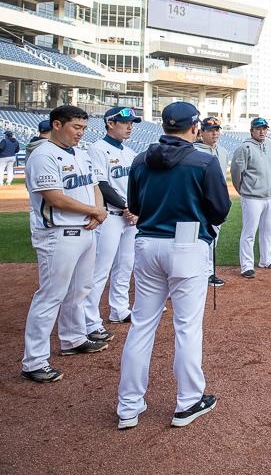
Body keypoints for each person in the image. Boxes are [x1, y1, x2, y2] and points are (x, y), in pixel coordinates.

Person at [116, 101, 230, 429]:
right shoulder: (203, 161)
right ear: (194, 127)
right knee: (186, 327)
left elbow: (135, 205)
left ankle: (128, 406)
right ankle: (188, 401)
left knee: (141, 325)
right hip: (187, 243)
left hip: (147, 241)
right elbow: (220, 210)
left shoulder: (140, 159)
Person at [21, 105, 108, 384]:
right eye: (76, 127)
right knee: (51, 295)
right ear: (57, 125)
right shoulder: (42, 155)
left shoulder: (81, 154)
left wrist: (98, 209)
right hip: (57, 233)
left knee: (80, 289)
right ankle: (33, 361)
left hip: (85, 229)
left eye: (83, 128)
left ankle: (72, 338)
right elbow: (54, 197)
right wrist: (92, 211)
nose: (81, 133)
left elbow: (95, 185)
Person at [83, 107, 141, 343]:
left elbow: (138, 184)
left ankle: (119, 309)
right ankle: (90, 320)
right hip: (110, 216)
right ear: (110, 123)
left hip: (130, 217)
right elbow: (102, 185)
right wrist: (128, 207)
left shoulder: (130, 152)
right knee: (101, 269)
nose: (129, 126)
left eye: (132, 123)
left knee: (125, 265)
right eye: (125, 122)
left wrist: (135, 209)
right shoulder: (96, 149)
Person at [230, 117, 271, 278]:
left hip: (269, 196)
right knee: (249, 232)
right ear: (251, 130)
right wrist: (243, 190)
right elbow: (236, 172)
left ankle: (266, 259)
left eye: (264, 128)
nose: (262, 131)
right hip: (252, 197)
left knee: (267, 230)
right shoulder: (244, 147)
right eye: (258, 128)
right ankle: (246, 265)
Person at [194, 117, 229, 287]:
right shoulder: (194, 151)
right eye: (210, 130)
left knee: (213, 239)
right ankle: (194, 273)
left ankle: (208, 272)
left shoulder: (222, 151)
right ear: (202, 132)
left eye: (217, 129)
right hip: (198, 203)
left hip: (216, 203)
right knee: (194, 241)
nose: (215, 132)